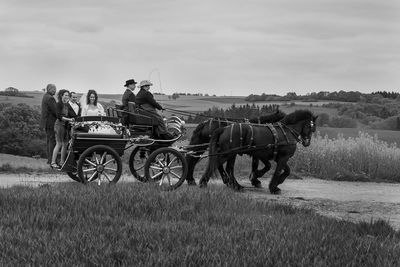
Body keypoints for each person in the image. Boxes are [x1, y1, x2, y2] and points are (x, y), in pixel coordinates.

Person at [50, 89, 75, 169]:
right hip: (59, 125)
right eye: (66, 95)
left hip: (66, 126)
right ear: (61, 96)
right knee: (59, 143)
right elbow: (59, 116)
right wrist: (69, 119)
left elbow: (73, 114)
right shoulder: (59, 104)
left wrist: (77, 119)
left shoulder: (67, 105)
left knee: (65, 144)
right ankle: (53, 163)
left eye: (68, 95)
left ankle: (62, 162)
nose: (67, 97)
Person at [40, 83, 57, 165]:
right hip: (51, 123)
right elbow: (55, 111)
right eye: (54, 89)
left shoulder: (45, 96)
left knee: (49, 141)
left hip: (46, 123)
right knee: (52, 141)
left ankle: (49, 159)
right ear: (50, 89)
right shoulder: (50, 98)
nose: (55, 90)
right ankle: (51, 160)